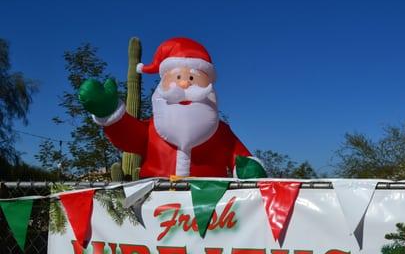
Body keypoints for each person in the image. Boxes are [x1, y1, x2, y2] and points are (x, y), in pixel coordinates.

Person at [78, 37, 266, 179]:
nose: (184, 83)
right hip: (156, 204)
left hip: (212, 207)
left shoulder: (221, 133)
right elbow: (128, 135)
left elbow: (240, 157)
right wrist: (109, 112)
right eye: (177, 78)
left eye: (192, 78)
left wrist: (249, 169)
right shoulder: (151, 129)